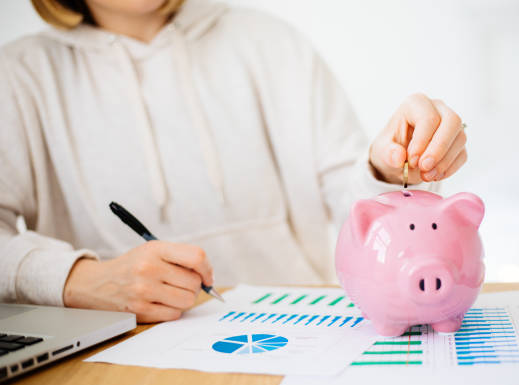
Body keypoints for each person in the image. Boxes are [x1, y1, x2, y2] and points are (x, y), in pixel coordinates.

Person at [0, 0, 468, 322]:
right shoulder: (19, 78)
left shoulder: (272, 44)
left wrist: (386, 171)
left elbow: (359, 212)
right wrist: (78, 280)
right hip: (106, 371)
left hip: (301, 341)